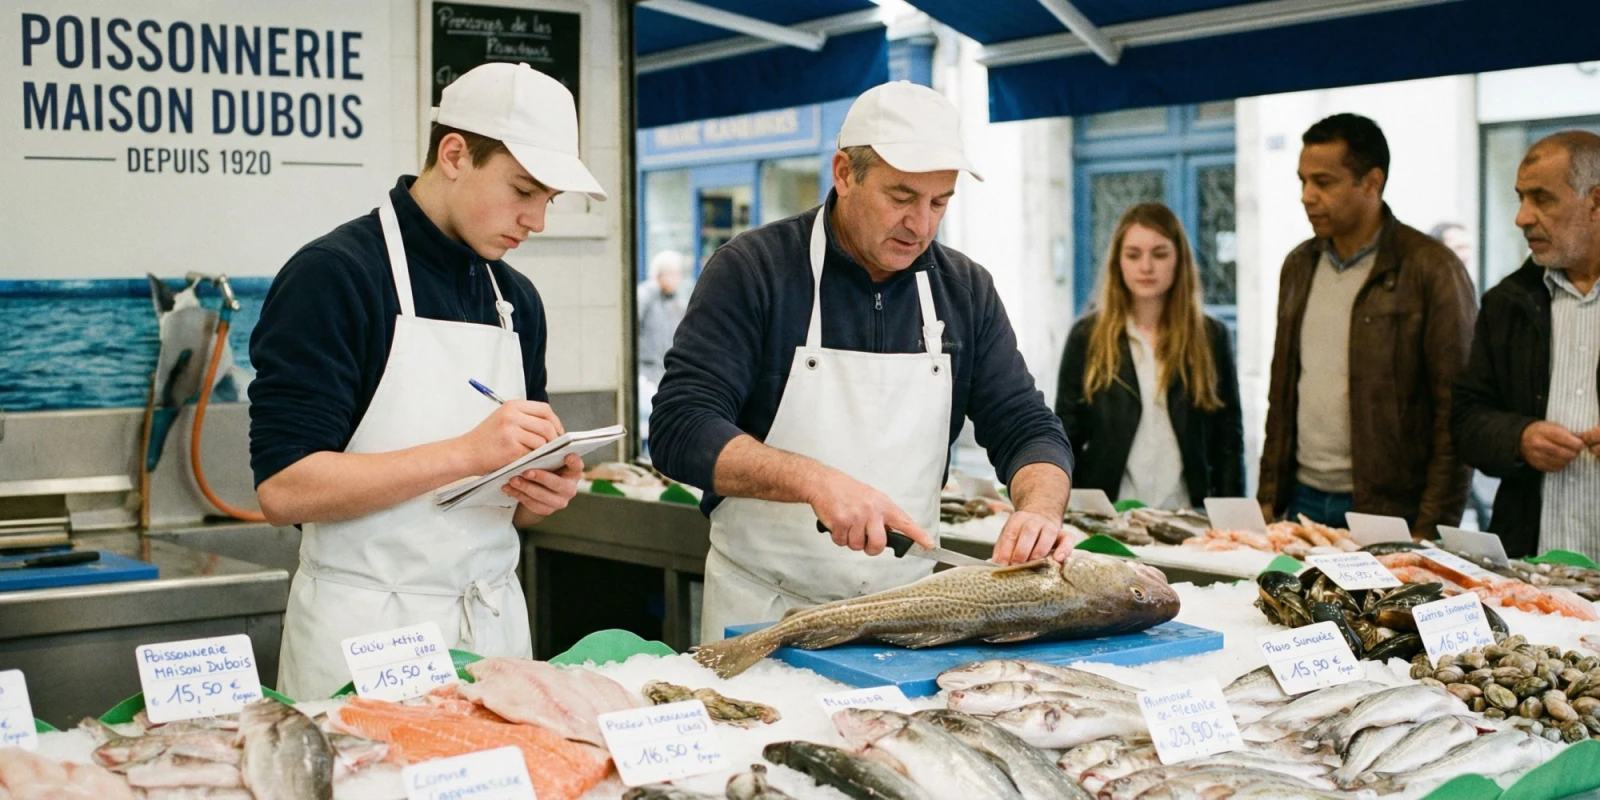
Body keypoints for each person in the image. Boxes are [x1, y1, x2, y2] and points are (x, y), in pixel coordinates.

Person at [647, 81, 1075, 643]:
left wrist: (1040, 511)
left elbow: (1026, 425)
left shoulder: (965, 290)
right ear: (844, 173)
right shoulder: (754, 270)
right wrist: (814, 481)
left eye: (939, 202)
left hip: (910, 614)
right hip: (765, 610)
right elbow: (681, 427)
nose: (920, 225)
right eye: (900, 197)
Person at [247, 63, 607, 699]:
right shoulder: (335, 276)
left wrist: (540, 489)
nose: (537, 221)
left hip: (494, 635)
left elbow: (507, 505)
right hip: (367, 643)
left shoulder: (516, 298)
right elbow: (285, 490)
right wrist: (466, 453)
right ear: (455, 154)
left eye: (548, 201)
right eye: (523, 190)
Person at [1258, 113, 1477, 536]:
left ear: (1371, 182)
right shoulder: (1299, 264)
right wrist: (1268, 499)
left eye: (1323, 183)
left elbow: (1456, 411)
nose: (1307, 196)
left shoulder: (1431, 267)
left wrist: (1431, 528)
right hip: (1301, 498)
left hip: (1391, 508)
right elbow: (1282, 391)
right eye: (1303, 181)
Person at [1453, 131, 1600, 558]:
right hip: (1529, 566)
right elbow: (1464, 418)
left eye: (1542, 198)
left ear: (1596, 202)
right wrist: (1518, 437)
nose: (1522, 217)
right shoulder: (1506, 303)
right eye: (1520, 197)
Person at [1055, 202, 1244, 509]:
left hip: (1187, 514)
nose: (1146, 266)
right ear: (1118, 262)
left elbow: (1228, 440)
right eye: (1133, 255)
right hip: (1106, 512)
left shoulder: (1211, 336)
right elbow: (1065, 435)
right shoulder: (1086, 336)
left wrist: (1228, 519)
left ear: (1178, 259)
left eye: (1159, 254)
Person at [637, 249, 691, 387]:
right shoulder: (645, 296)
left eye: (678, 273)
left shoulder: (677, 301)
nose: (677, 278)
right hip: (646, 372)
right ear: (660, 274)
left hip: (666, 372)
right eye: (672, 274)